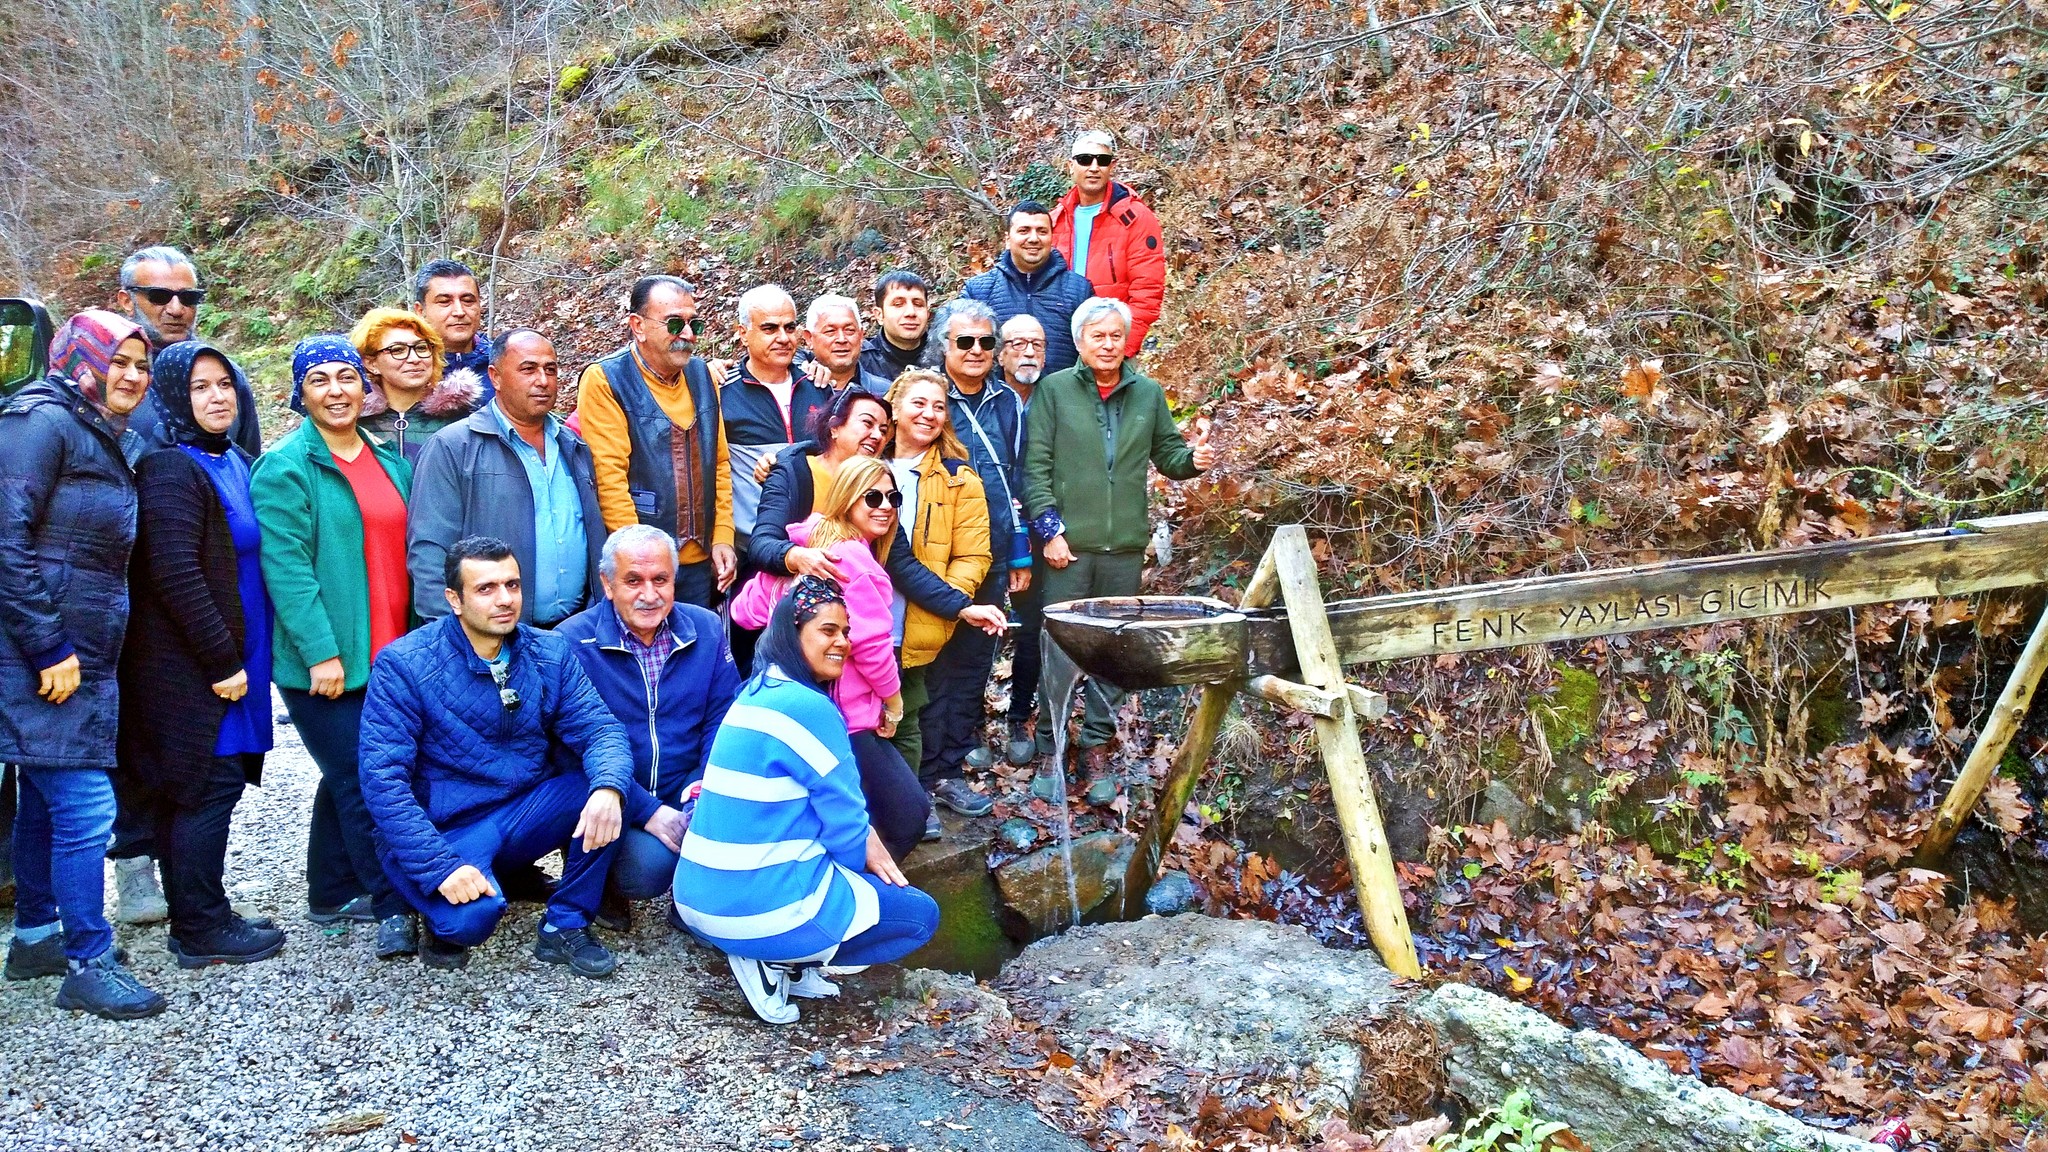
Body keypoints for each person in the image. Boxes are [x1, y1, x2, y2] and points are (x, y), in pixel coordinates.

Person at [359, 537, 637, 976]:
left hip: (524, 812)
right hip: (447, 827)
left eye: (513, 585)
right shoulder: (404, 664)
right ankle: (439, 909)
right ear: (454, 599)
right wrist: (439, 868)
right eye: (486, 589)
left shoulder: (549, 652)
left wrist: (608, 788)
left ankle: (565, 923)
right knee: (470, 921)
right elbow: (381, 781)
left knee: (603, 788)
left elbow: (600, 728)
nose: (505, 600)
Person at [674, 578, 940, 1025]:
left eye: (846, 631)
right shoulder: (809, 707)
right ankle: (775, 958)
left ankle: (790, 957)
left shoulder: (756, 690)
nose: (843, 642)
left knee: (848, 879)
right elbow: (845, 824)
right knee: (917, 915)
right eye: (827, 630)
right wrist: (861, 851)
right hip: (749, 910)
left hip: (696, 897)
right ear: (790, 633)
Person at [0, 310, 167, 1019]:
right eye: (117, 361)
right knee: (85, 807)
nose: (129, 376)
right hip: (41, 654)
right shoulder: (39, 422)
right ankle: (87, 960)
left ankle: (37, 933)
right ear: (79, 359)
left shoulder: (95, 430)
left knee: (43, 795)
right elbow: (5, 540)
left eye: (140, 365)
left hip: (78, 651)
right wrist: (48, 646)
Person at [115, 341, 285, 968]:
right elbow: (175, 572)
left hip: (238, 653)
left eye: (225, 385)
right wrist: (221, 662)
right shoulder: (168, 469)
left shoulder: (235, 459)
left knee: (219, 782)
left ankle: (203, 909)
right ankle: (199, 928)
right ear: (171, 399)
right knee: (203, 786)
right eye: (200, 388)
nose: (218, 398)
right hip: (195, 664)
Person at [251, 336, 416, 957]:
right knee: (362, 776)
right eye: (319, 380)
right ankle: (390, 898)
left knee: (343, 770)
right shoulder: (288, 467)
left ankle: (328, 888)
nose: (336, 391)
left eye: (345, 377)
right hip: (326, 659)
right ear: (301, 395)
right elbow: (286, 569)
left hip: (389, 647)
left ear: (362, 385)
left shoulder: (385, 459)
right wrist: (321, 651)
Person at [1025, 298, 1216, 804]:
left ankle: (1096, 745)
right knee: (1061, 651)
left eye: (1115, 336)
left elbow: (1170, 456)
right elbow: (1035, 467)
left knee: (1114, 651)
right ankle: (1050, 746)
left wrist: (1194, 458)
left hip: (1124, 549)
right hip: (1068, 549)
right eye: (1098, 336)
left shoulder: (1147, 393)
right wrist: (1050, 532)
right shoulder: (1055, 391)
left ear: (1126, 340)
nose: (1108, 344)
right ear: (1081, 342)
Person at [730, 458, 930, 862]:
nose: (886, 506)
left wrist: (785, 581)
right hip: (842, 716)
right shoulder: (855, 562)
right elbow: (873, 646)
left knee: (830, 811)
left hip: (785, 710)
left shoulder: (804, 547)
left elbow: (743, 611)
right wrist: (893, 702)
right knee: (909, 815)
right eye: (872, 496)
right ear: (846, 498)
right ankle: (844, 893)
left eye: (894, 497)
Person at [557, 525, 740, 929]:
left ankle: (696, 902)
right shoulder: (571, 643)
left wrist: (704, 792)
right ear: (607, 583)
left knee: (733, 821)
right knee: (649, 869)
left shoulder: (705, 628)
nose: (649, 594)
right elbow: (567, 751)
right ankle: (604, 882)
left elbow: (721, 720)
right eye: (633, 581)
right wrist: (649, 810)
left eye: (661, 580)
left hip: (684, 783)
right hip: (614, 796)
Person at [407, 330, 601, 627]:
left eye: (550, 369)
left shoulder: (572, 445)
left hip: (576, 630)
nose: (543, 380)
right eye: (528, 369)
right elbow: (429, 552)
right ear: (495, 377)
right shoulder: (454, 447)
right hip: (491, 637)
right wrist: (452, 638)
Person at [918, 301, 1028, 808]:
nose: (978, 351)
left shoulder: (1007, 401)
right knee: (926, 664)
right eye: (966, 342)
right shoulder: (928, 401)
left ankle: (950, 768)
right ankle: (917, 776)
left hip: (990, 556)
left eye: (987, 342)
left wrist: (1017, 556)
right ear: (944, 347)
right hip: (932, 556)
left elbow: (1019, 482)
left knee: (971, 663)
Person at [574, 275, 735, 608]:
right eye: (675, 323)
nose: (688, 335)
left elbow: (718, 463)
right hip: (642, 570)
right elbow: (610, 480)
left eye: (694, 324)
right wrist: (644, 563)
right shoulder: (606, 379)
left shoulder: (703, 375)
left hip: (702, 563)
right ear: (638, 325)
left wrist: (723, 537)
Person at [881, 370, 999, 825]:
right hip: (869, 610)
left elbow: (973, 552)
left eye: (938, 406)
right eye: (918, 404)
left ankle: (921, 793)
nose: (929, 414)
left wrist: (950, 599)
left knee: (924, 703)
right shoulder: (865, 465)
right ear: (895, 408)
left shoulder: (957, 478)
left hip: (931, 610)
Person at [117, 247, 263, 501]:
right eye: (159, 296)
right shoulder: (108, 378)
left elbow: (249, 467)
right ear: (127, 301)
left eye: (188, 298)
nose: (176, 309)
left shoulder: (227, 376)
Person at [720, 285, 833, 580]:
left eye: (790, 327)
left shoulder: (819, 385)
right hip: (753, 552)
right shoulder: (722, 393)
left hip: (820, 547)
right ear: (743, 333)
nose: (783, 338)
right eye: (769, 328)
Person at [1050, 131, 1166, 356]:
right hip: (1062, 345)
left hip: (1111, 346)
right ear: (1071, 166)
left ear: (1112, 166)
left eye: (1102, 160)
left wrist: (1124, 347)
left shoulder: (1135, 218)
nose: (1094, 167)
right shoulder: (1056, 220)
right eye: (1085, 160)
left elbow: (1147, 291)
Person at [996, 314, 1049, 767]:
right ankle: (968, 720)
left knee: (1032, 629)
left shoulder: (1055, 398)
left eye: (1036, 344)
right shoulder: (989, 400)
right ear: (1000, 352)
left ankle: (1019, 713)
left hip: (1041, 527)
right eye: (1016, 344)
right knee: (979, 628)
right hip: (986, 527)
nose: (1027, 352)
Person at [963, 201, 1093, 376]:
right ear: (1008, 239)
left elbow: (1094, 352)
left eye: (1042, 231)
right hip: (996, 399)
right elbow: (958, 348)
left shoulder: (1079, 290)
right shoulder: (978, 291)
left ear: (1052, 237)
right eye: (1024, 231)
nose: (1033, 239)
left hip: (1060, 400)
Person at [349, 306, 485, 462]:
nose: (414, 358)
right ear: (371, 363)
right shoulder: (355, 423)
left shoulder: (463, 419)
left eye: (421, 348)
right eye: (398, 350)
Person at [413, 259, 495, 399]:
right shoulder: (407, 368)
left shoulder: (502, 363)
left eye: (468, 301)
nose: (459, 311)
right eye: (445, 302)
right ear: (420, 311)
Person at [802, 294, 891, 395]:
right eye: (830, 331)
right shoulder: (794, 391)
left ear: (861, 336)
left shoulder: (885, 392)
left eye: (849, 330)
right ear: (809, 338)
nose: (841, 339)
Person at [859, 270, 931, 384]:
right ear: (879, 315)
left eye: (918, 304)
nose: (911, 312)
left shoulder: (946, 355)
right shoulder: (860, 361)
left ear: (928, 313)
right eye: (898, 304)